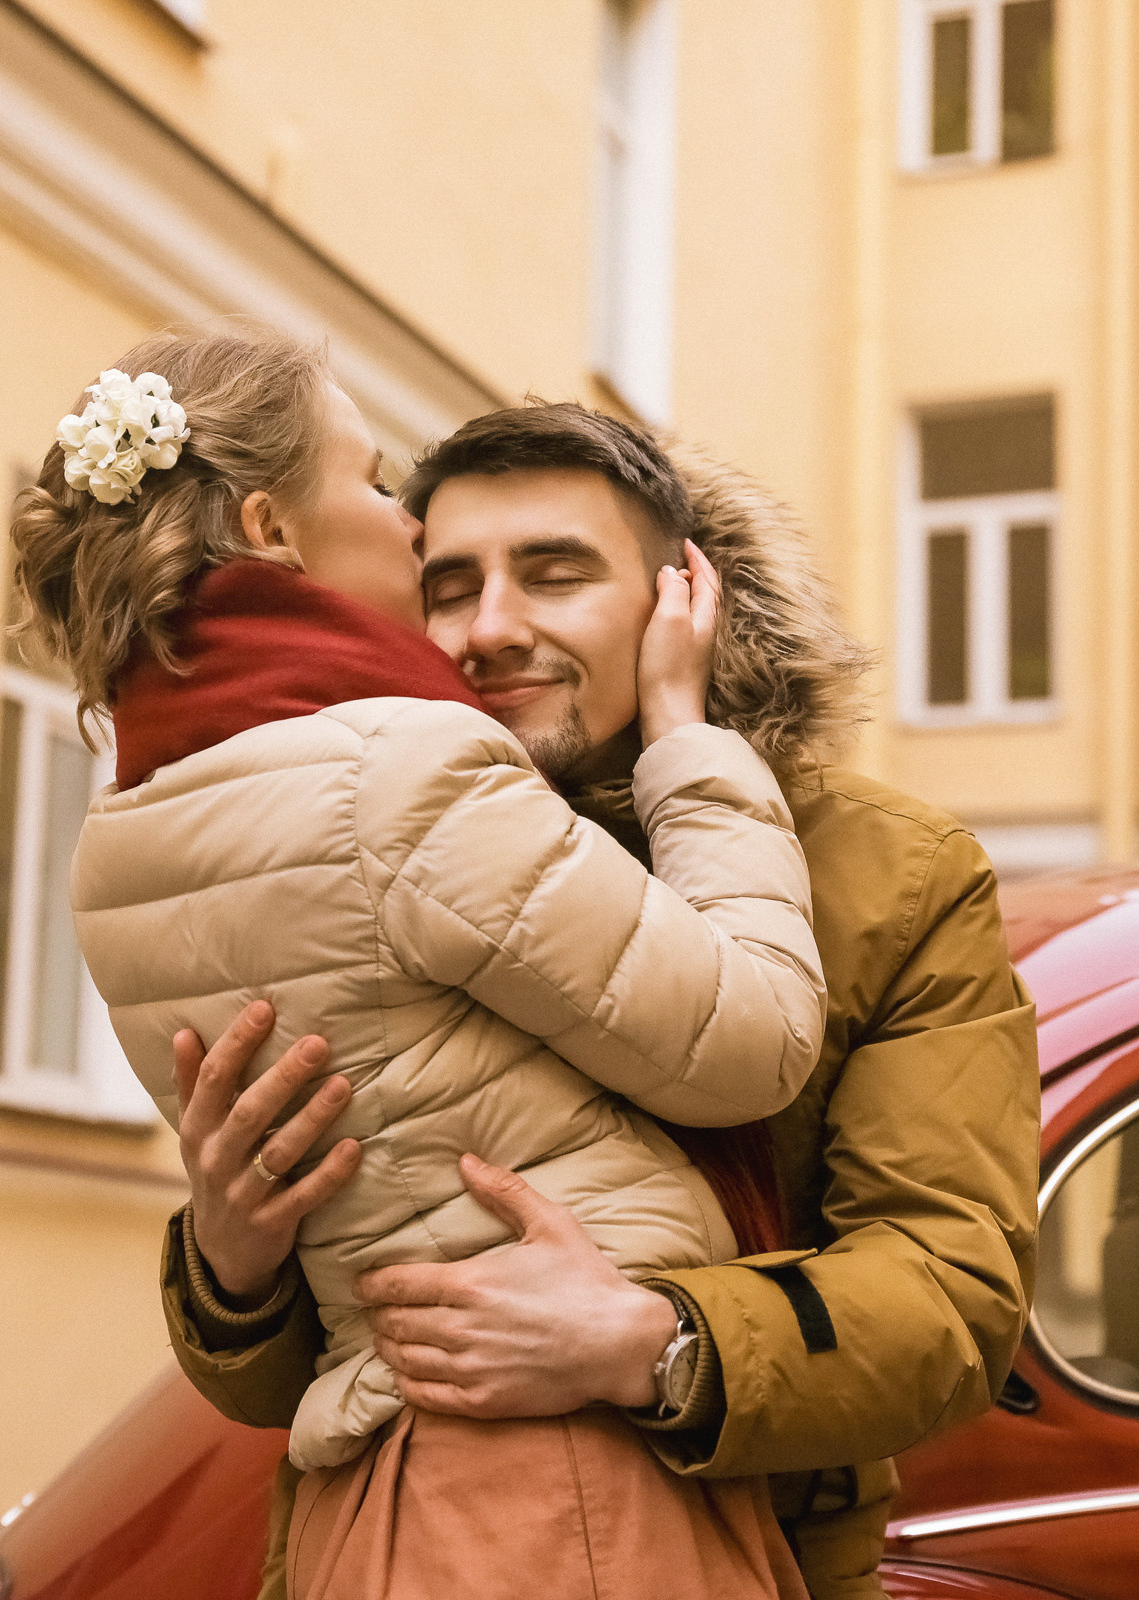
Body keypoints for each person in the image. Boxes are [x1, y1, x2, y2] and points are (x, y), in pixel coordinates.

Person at [162, 403, 1041, 1600]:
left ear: (684, 599)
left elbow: (948, 1295)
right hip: (394, 1546)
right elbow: (281, 1376)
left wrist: (652, 1343)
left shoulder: (892, 877)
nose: (490, 628)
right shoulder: (334, 850)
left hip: (735, 1543)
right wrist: (231, 1260)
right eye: (450, 582)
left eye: (555, 574)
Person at [11, 322, 828, 1599]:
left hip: (368, 1486)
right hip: (555, 1494)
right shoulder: (401, 766)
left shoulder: (116, 838)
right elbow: (757, 1037)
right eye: (376, 481)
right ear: (274, 531)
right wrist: (689, 741)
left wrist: (235, 1261)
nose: (405, 523)